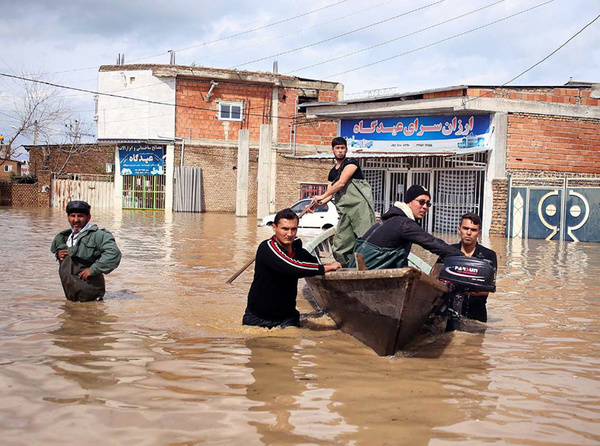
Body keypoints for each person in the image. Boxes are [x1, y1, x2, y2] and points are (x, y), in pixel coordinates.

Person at [243, 208, 341, 329]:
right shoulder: (267, 248)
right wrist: (324, 268)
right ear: (274, 227)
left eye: (293, 229)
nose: (289, 234)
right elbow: (292, 267)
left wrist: (328, 265)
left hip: (287, 317)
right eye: (285, 229)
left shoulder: (296, 246)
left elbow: (309, 260)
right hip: (259, 318)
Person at [350, 185, 463, 269]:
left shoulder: (392, 218)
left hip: (359, 269)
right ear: (409, 202)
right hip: (368, 275)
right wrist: (463, 257)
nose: (425, 207)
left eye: (428, 204)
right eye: (421, 202)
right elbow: (432, 243)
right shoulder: (404, 224)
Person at [308, 137, 376, 267]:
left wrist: (322, 195)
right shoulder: (332, 172)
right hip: (345, 212)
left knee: (366, 240)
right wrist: (317, 204)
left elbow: (341, 183)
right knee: (340, 246)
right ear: (332, 150)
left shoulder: (351, 163)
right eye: (337, 148)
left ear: (346, 149)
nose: (340, 151)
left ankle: (369, 267)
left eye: (342, 148)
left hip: (360, 209)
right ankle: (348, 268)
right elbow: (329, 194)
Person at [50, 200, 121, 302]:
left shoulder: (98, 235)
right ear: (68, 217)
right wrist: (59, 254)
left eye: (80, 216)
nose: (76, 220)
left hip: (90, 297)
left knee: (89, 316)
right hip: (71, 296)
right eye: (72, 216)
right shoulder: (66, 237)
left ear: (88, 217)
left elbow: (113, 254)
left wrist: (92, 270)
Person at [436, 213, 497, 323]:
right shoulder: (448, 252)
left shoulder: (489, 256)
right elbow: (436, 279)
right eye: (465, 228)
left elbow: (487, 289)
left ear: (479, 233)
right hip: (447, 314)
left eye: (473, 230)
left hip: (477, 316)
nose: (468, 233)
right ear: (459, 230)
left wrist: (458, 289)